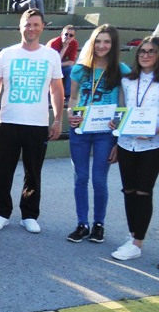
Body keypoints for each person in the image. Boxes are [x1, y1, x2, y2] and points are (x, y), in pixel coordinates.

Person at [0, 9, 64, 234]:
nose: (31, 28)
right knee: (3, 171)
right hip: (8, 122)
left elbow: (56, 90)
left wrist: (58, 119)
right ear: (20, 27)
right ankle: (2, 212)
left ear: (42, 27)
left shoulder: (51, 56)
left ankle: (29, 215)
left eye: (35, 24)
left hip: (37, 124)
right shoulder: (6, 54)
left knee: (33, 172)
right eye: (27, 24)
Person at [65, 25, 128, 245]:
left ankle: (98, 224)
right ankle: (82, 224)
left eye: (107, 41)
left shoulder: (121, 70)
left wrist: (118, 135)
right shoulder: (79, 69)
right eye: (98, 41)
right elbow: (73, 99)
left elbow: (122, 105)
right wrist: (70, 113)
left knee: (99, 180)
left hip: (105, 133)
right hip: (80, 130)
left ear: (113, 44)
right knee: (80, 178)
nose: (102, 45)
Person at [110, 36, 159, 262]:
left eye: (151, 51)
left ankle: (138, 242)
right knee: (129, 191)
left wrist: (155, 130)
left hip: (152, 145)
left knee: (143, 192)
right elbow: (122, 109)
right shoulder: (128, 80)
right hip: (126, 143)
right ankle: (132, 236)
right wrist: (115, 123)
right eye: (142, 51)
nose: (145, 55)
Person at [47, 25, 79, 100]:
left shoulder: (74, 43)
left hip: (61, 66)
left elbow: (71, 62)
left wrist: (59, 65)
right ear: (62, 34)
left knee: (71, 69)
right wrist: (64, 48)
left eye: (71, 35)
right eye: (66, 34)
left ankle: (68, 95)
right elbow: (54, 63)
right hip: (49, 67)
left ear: (73, 37)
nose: (68, 37)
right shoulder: (54, 43)